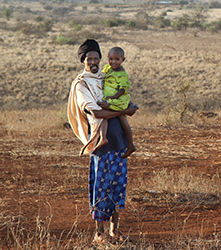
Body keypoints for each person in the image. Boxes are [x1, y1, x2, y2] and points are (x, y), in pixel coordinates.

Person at [67, 39, 137, 244]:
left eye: (96, 57)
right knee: (100, 186)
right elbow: (96, 111)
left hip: (119, 140)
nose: (93, 61)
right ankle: (99, 233)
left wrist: (126, 105)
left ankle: (115, 230)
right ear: (83, 61)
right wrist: (125, 111)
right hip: (100, 141)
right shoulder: (81, 84)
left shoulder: (105, 76)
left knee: (118, 185)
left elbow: (120, 93)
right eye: (89, 58)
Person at [96, 47, 137, 159]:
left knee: (121, 119)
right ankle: (103, 138)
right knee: (106, 116)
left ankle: (130, 144)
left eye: (117, 59)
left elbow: (123, 89)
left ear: (123, 60)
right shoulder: (107, 68)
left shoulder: (122, 74)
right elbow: (102, 76)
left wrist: (113, 98)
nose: (113, 62)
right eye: (111, 59)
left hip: (117, 99)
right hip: (109, 98)